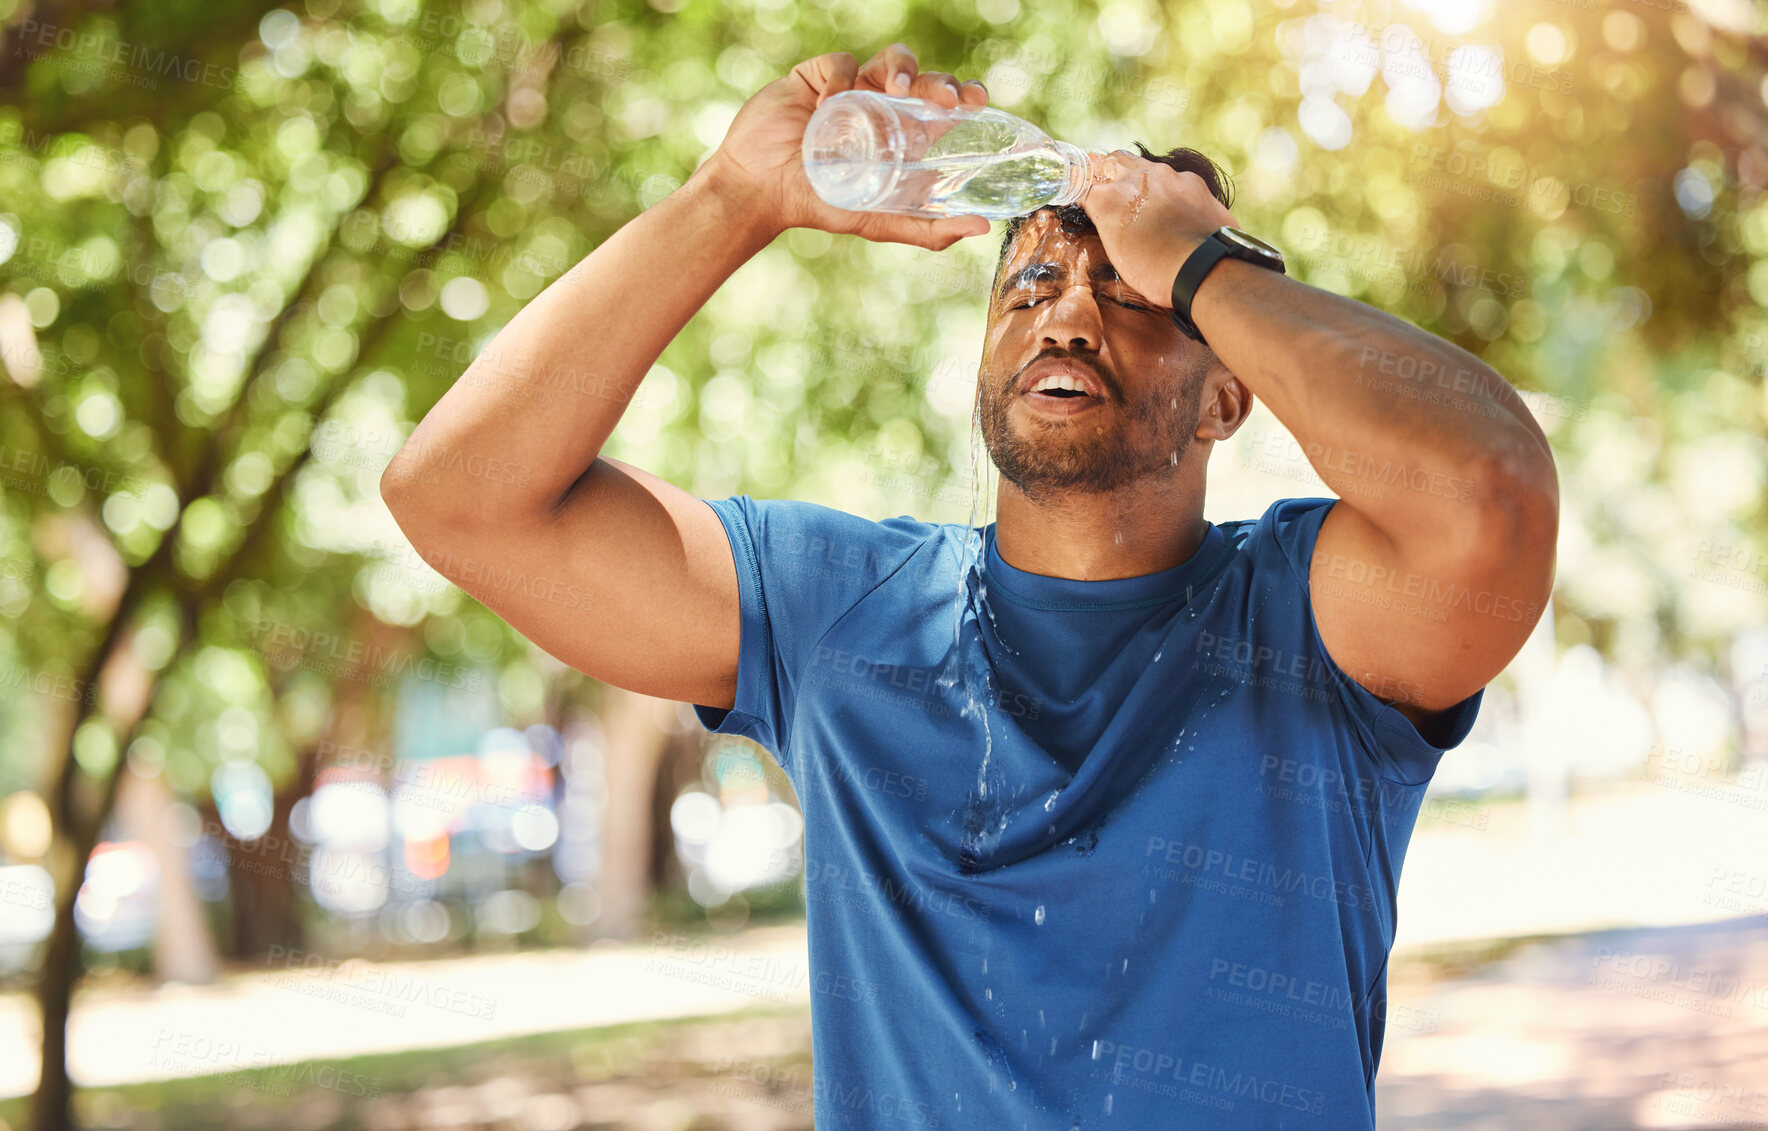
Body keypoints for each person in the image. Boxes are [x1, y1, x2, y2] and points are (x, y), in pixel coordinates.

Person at [382, 42, 1558, 1130]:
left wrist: (1199, 261)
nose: (1071, 312)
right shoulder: (835, 609)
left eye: (1133, 294)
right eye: (1031, 283)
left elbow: (1487, 494)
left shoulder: (1314, 619)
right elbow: (458, 498)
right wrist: (731, 200)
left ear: (1227, 395)